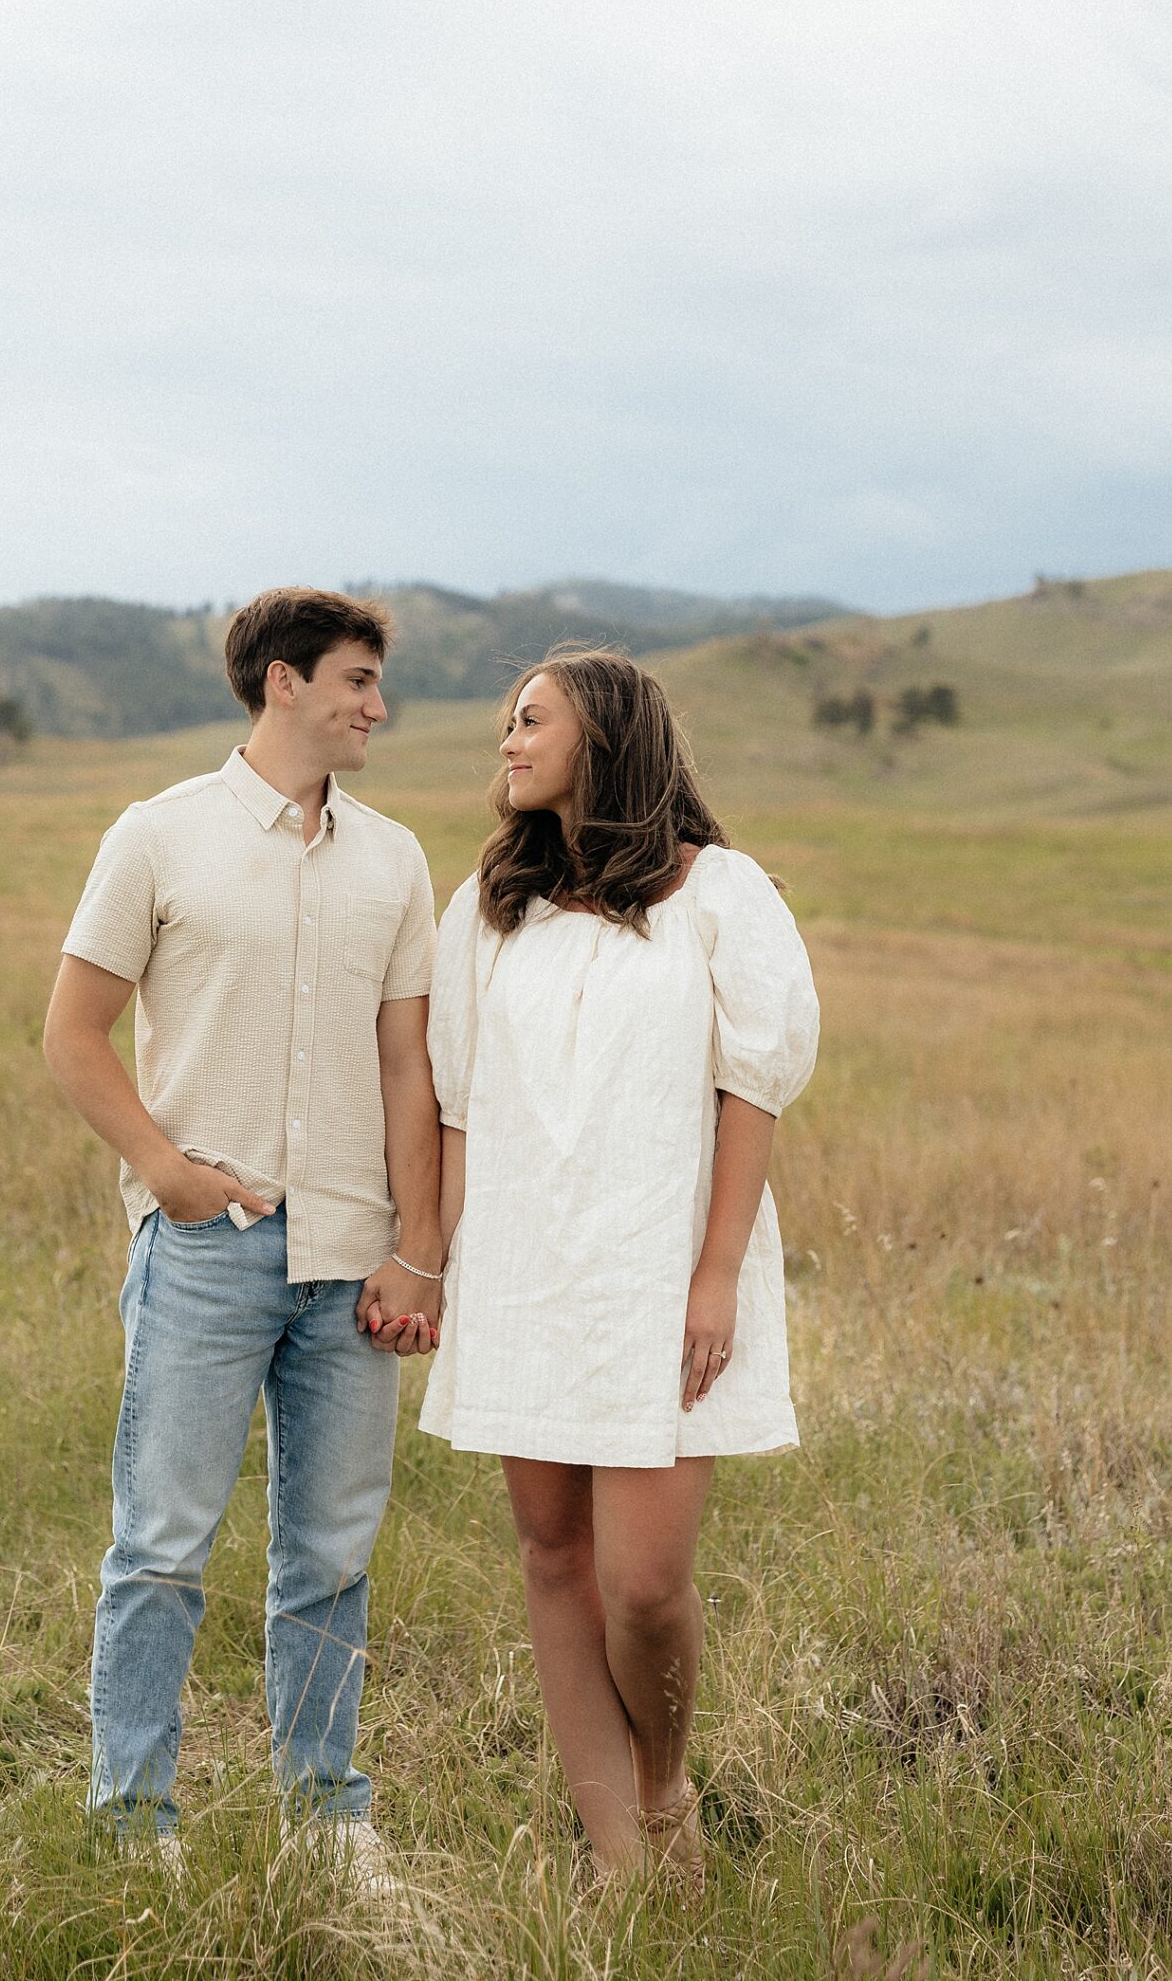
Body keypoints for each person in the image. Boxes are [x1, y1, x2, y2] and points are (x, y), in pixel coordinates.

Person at [42, 587, 445, 1879]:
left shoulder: (392, 860)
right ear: (281, 681)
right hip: (207, 1253)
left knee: (329, 1559)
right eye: (356, 681)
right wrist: (166, 1172)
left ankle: (327, 1826)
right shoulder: (158, 837)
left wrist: (415, 1247)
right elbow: (72, 1032)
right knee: (160, 1548)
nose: (374, 707)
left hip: (352, 1267)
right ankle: (130, 1832)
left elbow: (406, 1073)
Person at [419, 649, 818, 1888]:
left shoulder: (721, 895)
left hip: (659, 1274)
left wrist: (715, 1276)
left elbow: (754, 1086)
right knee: (553, 1560)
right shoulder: (495, 902)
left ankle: (662, 1785)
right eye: (505, 722)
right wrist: (431, 1265)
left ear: (606, 734)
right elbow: (457, 1105)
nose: (508, 739)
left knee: (645, 1585)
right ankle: (622, 1867)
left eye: (531, 719)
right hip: (524, 1271)